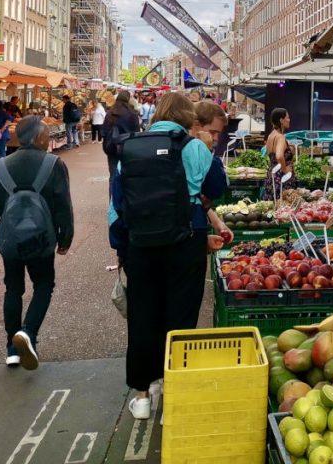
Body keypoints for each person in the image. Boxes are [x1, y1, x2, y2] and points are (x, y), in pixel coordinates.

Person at [108, 93, 232, 420]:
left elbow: (117, 205)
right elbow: (218, 186)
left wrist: (123, 249)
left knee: (143, 317)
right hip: (185, 242)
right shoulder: (193, 147)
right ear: (187, 118)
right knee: (180, 317)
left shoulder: (130, 148)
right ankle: (173, 392)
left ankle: (142, 396)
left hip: (141, 245)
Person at [0, 116, 74, 370]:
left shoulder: (0, 166)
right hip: (42, 238)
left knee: (13, 288)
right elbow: (63, 204)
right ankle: (28, 333)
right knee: (43, 285)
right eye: (46, 133)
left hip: (10, 239)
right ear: (39, 137)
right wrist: (66, 237)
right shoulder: (54, 164)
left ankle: (12, 347)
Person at [103, 90, 141, 181]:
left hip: (112, 148)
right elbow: (136, 132)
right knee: (128, 175)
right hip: (128, 148)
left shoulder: (110, 113)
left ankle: (113, 194)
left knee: (113, 175)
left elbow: (104, 132)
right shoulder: (132, 114)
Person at [265, 107, 295, 198]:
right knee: (283, 207)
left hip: (272, 175)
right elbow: (279, 156)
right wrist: (285, 169)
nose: (289, 120)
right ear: (281, 120)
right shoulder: (280, 137)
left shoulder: (271, 136)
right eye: (287, 118)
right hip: (282, 178)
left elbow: (272, 155)